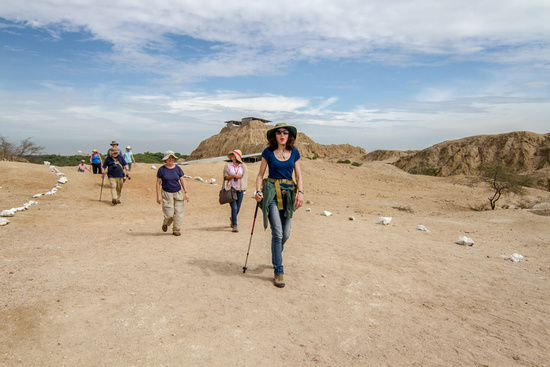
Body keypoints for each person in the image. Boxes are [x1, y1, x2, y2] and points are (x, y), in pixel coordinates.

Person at [255, 122, 304, 288]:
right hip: (272, 194)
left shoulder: (294, 152)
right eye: (279, 132)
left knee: (286, 234)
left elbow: (298, 176)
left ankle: (276, 255)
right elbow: (260, 175)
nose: (282, 135)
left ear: (289, 135)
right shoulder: (268, 152)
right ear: (274, 136)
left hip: (289, 195)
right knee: (277, 233)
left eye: (285, 132)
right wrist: (258, 191)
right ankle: (278, 270)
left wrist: (301, 193)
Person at [156, 150, 190, 236]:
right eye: (169, 158)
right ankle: (166, 223)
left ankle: (176, 229)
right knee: (169, 214)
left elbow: (182, 180)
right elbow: (158, 183)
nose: (171, 159)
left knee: (179, 212)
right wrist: (158, 196)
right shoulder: (161, 169)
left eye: (172, 158)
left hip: (177, 192)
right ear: (165, 159)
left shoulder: (178, 168)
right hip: (167, 193)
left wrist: (186, 192)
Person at [223, 149, 248, 233]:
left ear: (237, 156)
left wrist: (244, 186)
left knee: (238, 208)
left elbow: (245, 177)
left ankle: (232, 218)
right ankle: (235, 225)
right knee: (234, 207)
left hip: (240, 189)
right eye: (231, 155)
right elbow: (225, 177)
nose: (232, 156)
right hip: (231, 189)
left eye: (233, 155)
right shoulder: (228, 165)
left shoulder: (243, 166)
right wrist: (233, 176)